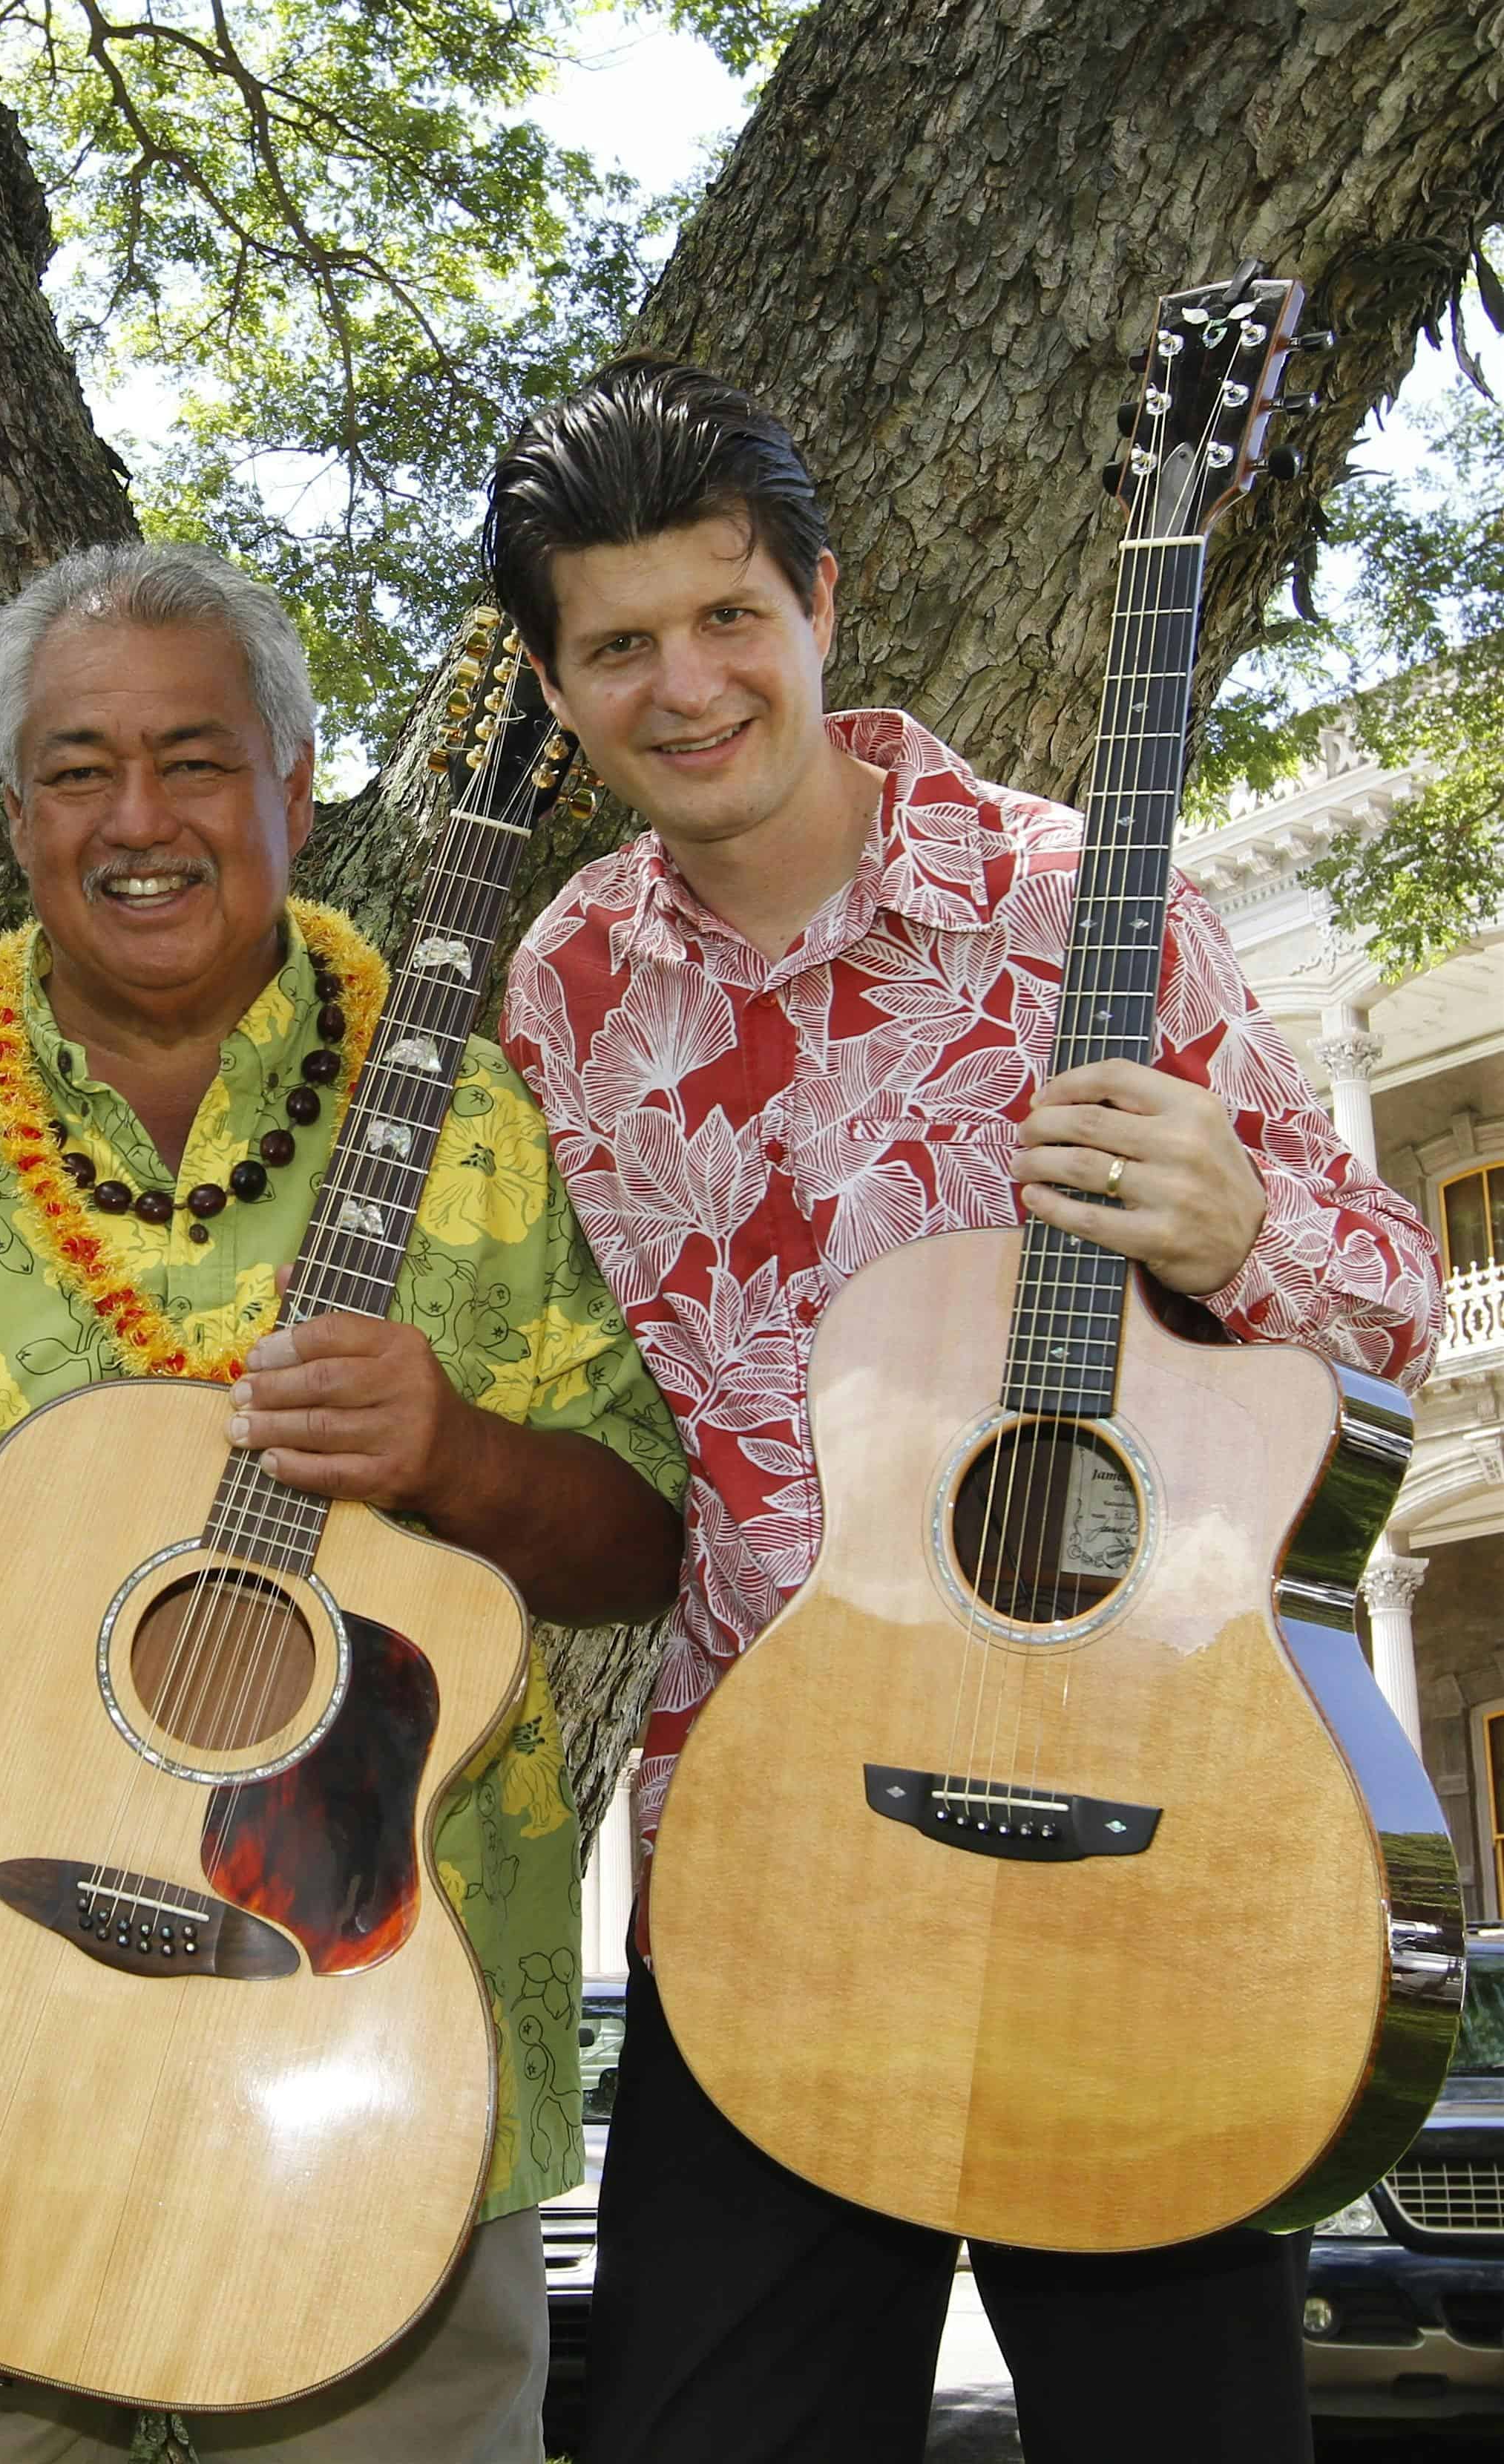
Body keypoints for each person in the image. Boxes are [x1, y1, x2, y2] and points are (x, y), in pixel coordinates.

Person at [485, 355, 1446, 2464]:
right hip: (774, 1874)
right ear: (558, 693)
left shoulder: (1077, 896)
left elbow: (1394, 1313)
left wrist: (1242, 1228)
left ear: (824, 599)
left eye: (729, 615)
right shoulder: (562, 993)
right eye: (620, 644)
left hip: (1147, 1850)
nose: (688, 682)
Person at [0, 539, 689, 2463]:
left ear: (293, 790)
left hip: (368, 2058)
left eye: (196, 760)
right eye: (78, 766)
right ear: (16, 804)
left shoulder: (471, 1138)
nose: (139, 820)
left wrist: (458, 1455)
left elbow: (640, 1542)